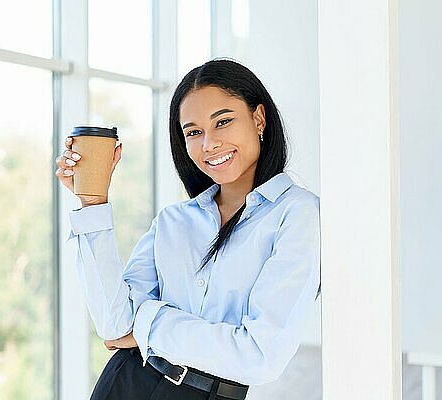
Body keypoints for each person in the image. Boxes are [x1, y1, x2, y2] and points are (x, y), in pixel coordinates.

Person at [55, 59, 321, 400]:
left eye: (223, 122)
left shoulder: (297, 213)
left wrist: (149, 324)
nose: (208, 144)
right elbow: (113, 324)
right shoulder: (173, 221)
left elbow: (259, 356)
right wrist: (92, 203)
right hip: (127, 382)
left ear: (258, 119)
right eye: (193, 132)